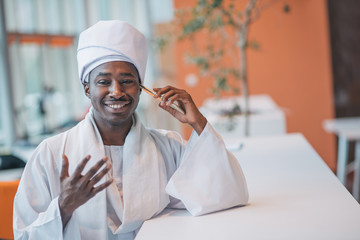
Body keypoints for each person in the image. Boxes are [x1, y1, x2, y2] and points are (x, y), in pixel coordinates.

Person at [13, 20, 248, 240]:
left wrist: (198, 123)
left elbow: (226, 194)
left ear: (140, 88)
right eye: (103, 82)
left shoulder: (168, 147)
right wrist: (63, 207)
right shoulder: (51, 154)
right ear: (87, 89)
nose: (116, 91)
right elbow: (24, 235)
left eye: (127, 81)